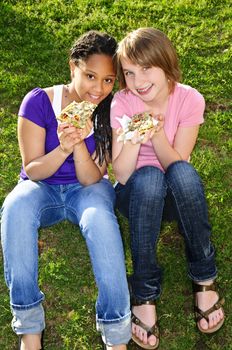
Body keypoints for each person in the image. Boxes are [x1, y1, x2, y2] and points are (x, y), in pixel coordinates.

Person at [0, 30, 131, 350]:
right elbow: (32, 169)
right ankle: (30, 328)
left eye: (108, 80)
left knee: (101, 219)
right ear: (73, 67)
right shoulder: (39, 102)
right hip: (40, 186)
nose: (98, 88)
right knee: (15, 208)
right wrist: (61, 147)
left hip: (87, 190)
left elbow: (92, 178)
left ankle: (115, 334)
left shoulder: (106, 111)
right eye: (90, 76)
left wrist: (78, 148)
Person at [110, 27, 225, 349]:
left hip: (175, 195)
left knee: (184, 173)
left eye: (146, 68)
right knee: (148, 177)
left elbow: (178, 162)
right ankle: (144, 292)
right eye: (130, 72)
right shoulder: (122, 101)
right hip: (134, 194)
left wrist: (157, 134)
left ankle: (204, 277)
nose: (138, 81)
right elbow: (119, 172)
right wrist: (133, 139)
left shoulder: (189, 98)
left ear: (166, 64)